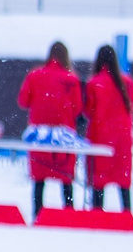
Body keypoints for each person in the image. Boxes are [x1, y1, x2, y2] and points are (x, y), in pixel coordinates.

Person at [19, 41, 86, 216]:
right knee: (66, 179)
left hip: (40, 137)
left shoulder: (35, 75)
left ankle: (37, 215)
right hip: (63, 138)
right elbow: (77, 108)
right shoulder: (71, 79)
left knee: (39, 180)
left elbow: (23, 101)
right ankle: (68, 215)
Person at [84, 45, 133, 212]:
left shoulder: (94, 83)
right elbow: (131, 106)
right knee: (123, 180)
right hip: (122, 140)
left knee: (99, 180)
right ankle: (127, 214)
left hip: (100, 138)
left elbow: (88, 110)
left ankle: (97, 215)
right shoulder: (128, 83)